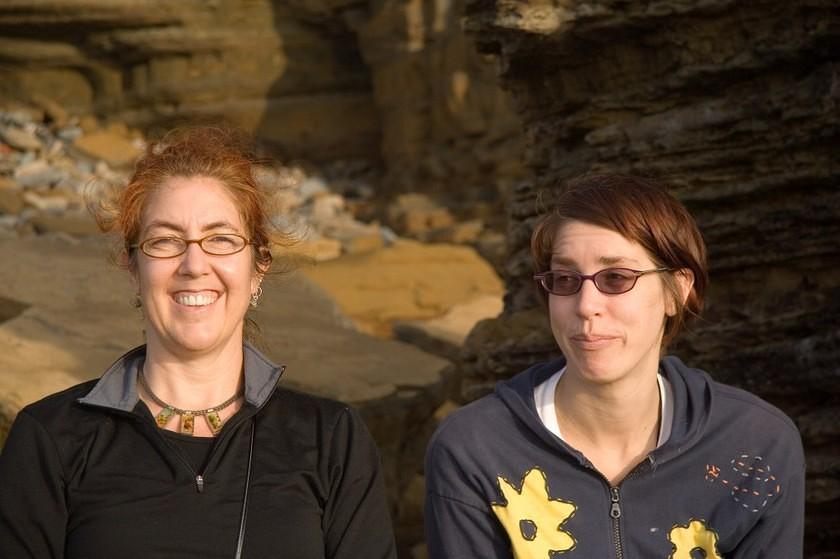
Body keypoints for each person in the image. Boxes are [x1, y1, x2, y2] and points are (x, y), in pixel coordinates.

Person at [0, 126, 397, 559]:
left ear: (258, 267)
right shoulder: (51, 438)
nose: (194, 264)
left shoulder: (332, 439)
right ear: (133, 268)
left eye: (221, 240)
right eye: (165, 241)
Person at [424, 174, 805, 558]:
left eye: (617, 277)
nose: (586, 304)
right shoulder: (475, 449)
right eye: (566, 278)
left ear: (678, 290)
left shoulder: (757, 445)